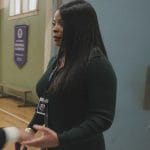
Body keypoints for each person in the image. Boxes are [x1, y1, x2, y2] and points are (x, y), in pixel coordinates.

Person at [20, 0, 117, 150]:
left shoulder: (96, 64)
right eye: (53, 24)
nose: (55, 29)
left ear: (80, 27)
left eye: (62, 24)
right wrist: (31, 129)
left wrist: (60, 139)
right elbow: (46, 98)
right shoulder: (56, 60)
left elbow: (102, 118)